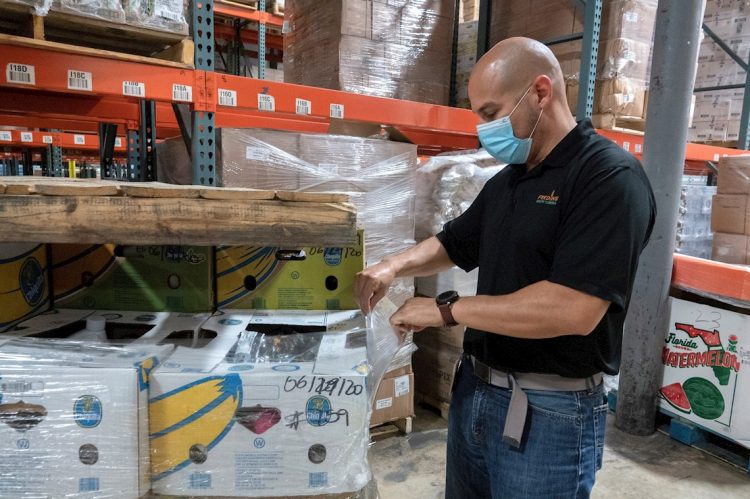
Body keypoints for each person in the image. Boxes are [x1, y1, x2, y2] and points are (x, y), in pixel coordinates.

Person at [355, 37, 656, 499]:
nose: (484, 130)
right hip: (477, 391)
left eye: (492, 113)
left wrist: (445, 309)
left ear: (540, 92)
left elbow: (573, 309)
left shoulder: (607, 179)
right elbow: (455, 243)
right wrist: (393, 265)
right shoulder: (510, 182)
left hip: (550, 410)